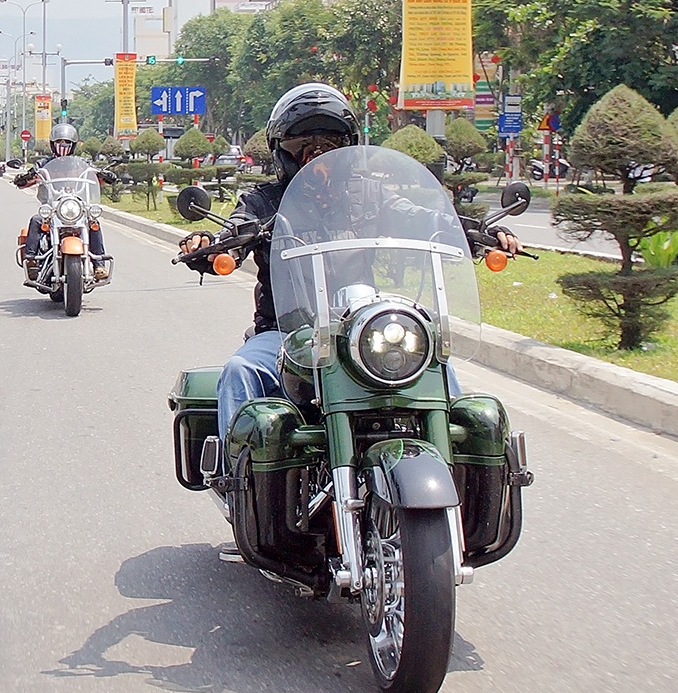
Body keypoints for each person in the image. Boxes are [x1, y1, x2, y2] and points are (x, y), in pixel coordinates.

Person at [179, 83, 524, 436]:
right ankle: (235, 475)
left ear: (348, 148)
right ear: (282, 152)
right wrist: (212, 245)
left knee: (434, 361)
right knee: (240, 370)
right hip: (285, 332)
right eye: (302, 147)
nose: (316, 157)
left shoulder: (371, 195)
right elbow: (235, 232)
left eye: (330, 145)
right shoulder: (263, 202)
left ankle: (456, 458)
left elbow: (421, 217)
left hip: (363, 327)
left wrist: (474, 232)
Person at [17, 123, 110, 274]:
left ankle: (99, 265)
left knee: (94, 223)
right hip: (53, 208)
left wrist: (105, 175)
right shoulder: (44, 164)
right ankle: (32, 260)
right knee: (36, 221)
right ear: (53, 144)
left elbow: (97, 176)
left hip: (76, 207)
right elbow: (27, 181)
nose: (63, 145)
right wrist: (25, 178)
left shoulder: (81, 164)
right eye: (59, 142)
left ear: (73, 145)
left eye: (67, 142)